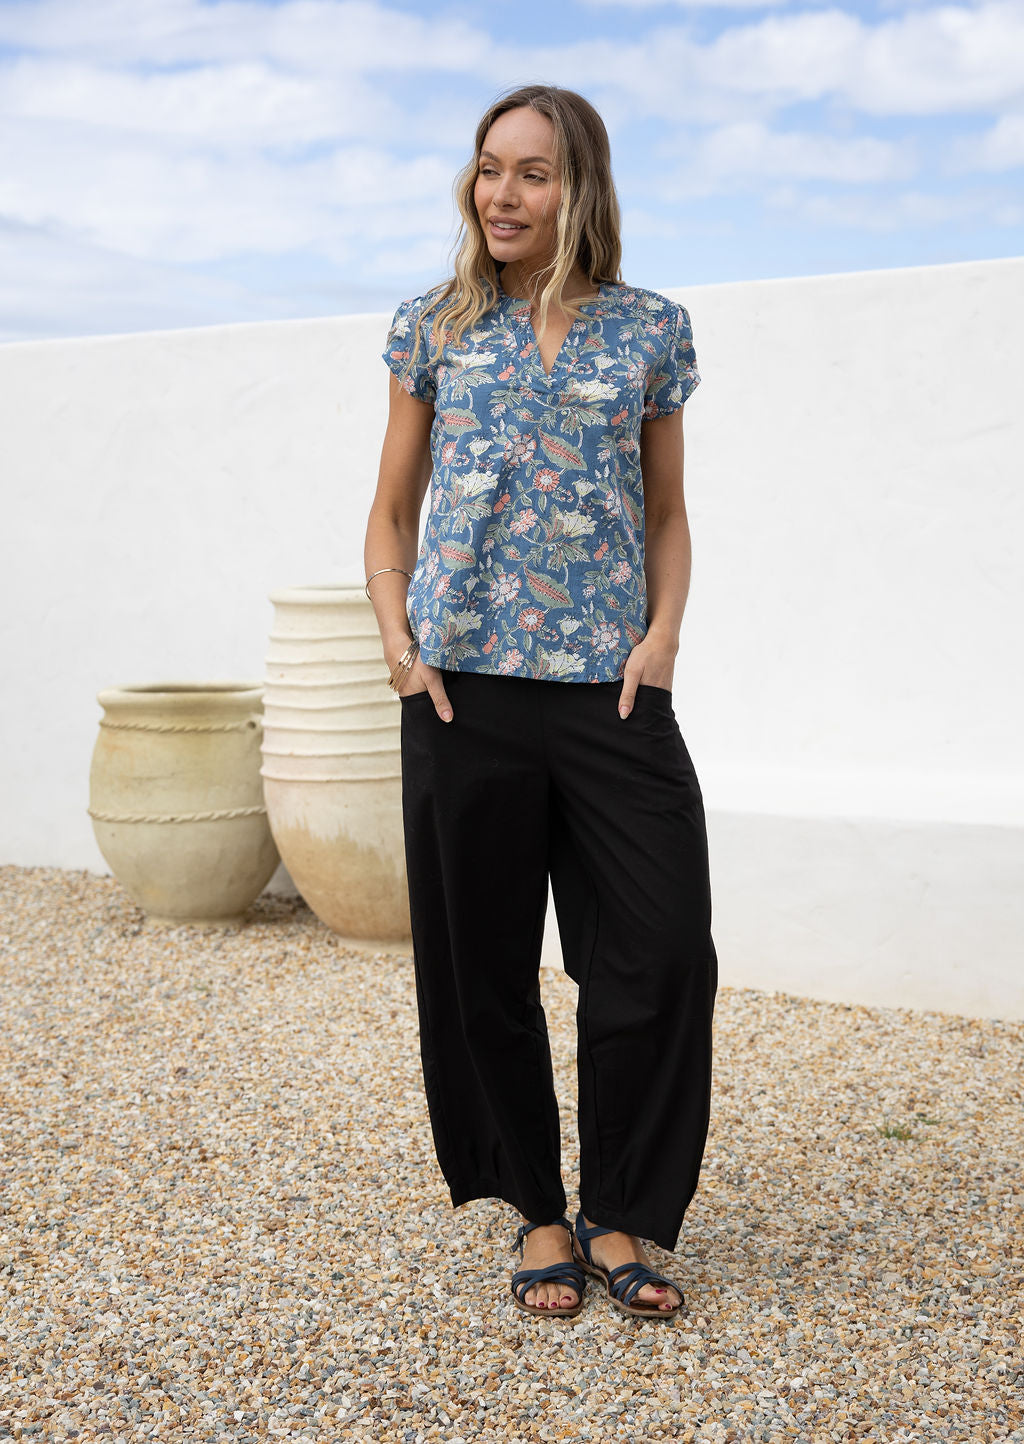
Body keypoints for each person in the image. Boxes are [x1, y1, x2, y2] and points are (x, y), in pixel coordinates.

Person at [363, 83, 718, 1321]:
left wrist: (663, 637)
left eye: (532, 172)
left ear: (581, 189)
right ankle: (540, 1212)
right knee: (482, 968)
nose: (502, 194)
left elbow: (665, 511)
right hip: (463, 694)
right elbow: (390, 510)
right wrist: (401, 641)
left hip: (612, 693)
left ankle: (624, 1207)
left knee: (660, 950)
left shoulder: (649, 330)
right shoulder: (435, 326)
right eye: (487, 168)